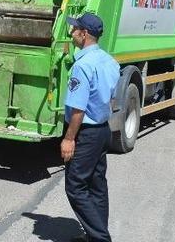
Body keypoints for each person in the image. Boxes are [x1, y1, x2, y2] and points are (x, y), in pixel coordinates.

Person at [62, 13, 119, 242]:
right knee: (97, 185)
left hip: (86, 134)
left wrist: (69, 139)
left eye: (75, 29)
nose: (72, 32)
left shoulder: (83, 66)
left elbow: (78, 109)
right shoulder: (109, 61)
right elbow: (111, 98)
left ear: (84, 34)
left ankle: (100, 239)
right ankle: (94, 237)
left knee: (75, 187)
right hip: (103, 130)